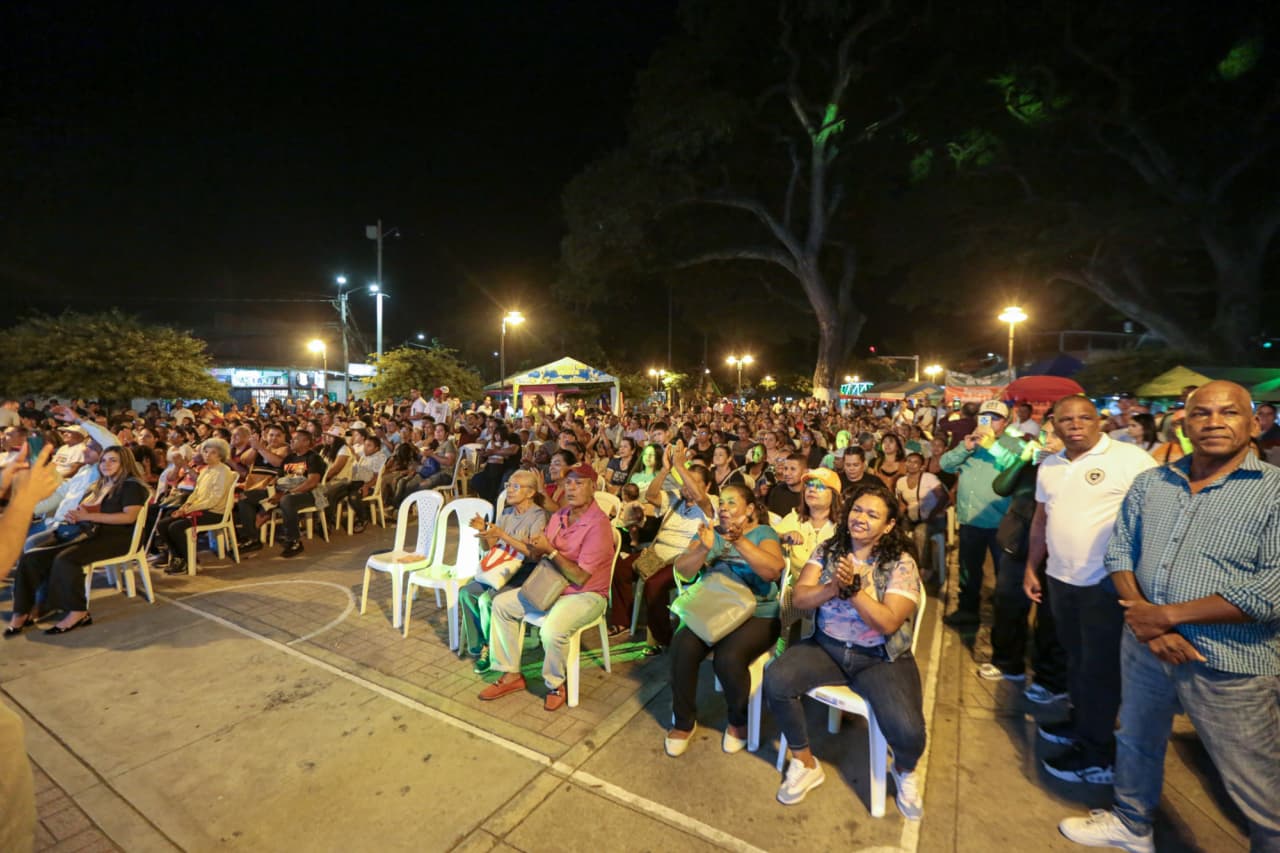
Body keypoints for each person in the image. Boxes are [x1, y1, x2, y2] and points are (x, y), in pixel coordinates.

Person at [1058, 381, 1280, 853]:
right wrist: (1145, 621)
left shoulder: (1273, 494)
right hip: (1145, 647)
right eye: (1201, 413)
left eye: (1229, 413)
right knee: (1136, 739)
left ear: (1254, 422)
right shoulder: (1153, 482)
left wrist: (1162, 617)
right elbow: (1120, 551)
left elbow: (1270, 590)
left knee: (1256, 781)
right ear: (1184, 422)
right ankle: (1131, 823)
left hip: (1229, 662)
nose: (1214, 422)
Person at [763, 482, 926, 817]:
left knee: (908, 731)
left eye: (872, 514)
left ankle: (905, 770)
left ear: (889, 525)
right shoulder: (828, 550)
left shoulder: (900, 562)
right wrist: (833, 587)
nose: (860, 518)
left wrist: (854, 592)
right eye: (856, 510)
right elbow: (801, 597)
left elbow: (889, 623)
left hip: (879, 657)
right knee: (777, 680)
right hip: (828, 647)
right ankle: (805, 762)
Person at [1023, 396, 1156, 784]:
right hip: (1060, 579)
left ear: (1099, 421)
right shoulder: (1050, 465)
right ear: (1055, 424)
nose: (1076, 425)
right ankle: (1082, 723)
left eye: (1084, 418)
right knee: (1075, 660)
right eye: (1066, 419)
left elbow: (1157, 518)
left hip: (1105, 584)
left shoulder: (1130, 460)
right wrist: (1032, 567)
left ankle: (1099, 756)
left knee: (1099, 670)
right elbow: (1040, 521)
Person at [479, 463, 615, 711]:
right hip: (552, 585)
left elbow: (580, 576)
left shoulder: (599, 524)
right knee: (500, 604)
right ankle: (510, 674)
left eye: (579, 482)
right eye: (568, 483)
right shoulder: (561, 516)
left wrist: (550, 551)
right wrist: (507, 539)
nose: (571, 488)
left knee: (551, 631)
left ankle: (555, 683)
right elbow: (537, 552)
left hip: (585, 594)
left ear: (593, 487)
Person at [664, 482, 785, 757]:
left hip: (758, 613)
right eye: (722, 503)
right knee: (683, 644)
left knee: (728, 658)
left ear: (750, 508)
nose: (724, 508)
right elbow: (682, 571)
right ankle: (683, 721)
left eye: (732, 502)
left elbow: (773, 571)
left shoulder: (763, 533)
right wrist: (702, 550)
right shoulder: (710, 534)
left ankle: (738, 720)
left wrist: (738, 540)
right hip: (715, 608)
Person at [7, 446, 150, 636]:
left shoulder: (131, 485)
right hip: (91, 532)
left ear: (124, 462)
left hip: (116, 538)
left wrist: (88, 517)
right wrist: (78, 516)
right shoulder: (101, 483)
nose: (106, 464)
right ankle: (22, 612)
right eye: (104, 460)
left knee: (65, 559)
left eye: (113, 460)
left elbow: (128, 518)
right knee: (31, 556)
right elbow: (89, 511)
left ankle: (78, 612)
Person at [978, 424, 1068, 704]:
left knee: (1051, 619)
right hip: (1018, 545)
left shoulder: (1074, 470)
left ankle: (1049, 680)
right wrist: (1022, 459)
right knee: (1008, 605)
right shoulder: (1031, 466)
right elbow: (1001, 486)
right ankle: (1008, 663)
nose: (1047, 440)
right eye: (1046, 434)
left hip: (1058, 554)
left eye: (1054, 435)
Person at [608, 454, 716, 651]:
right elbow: (651, 496)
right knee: (622, 569)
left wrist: (680, 466)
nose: (688, 487)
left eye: (693, 483)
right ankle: (623, 621)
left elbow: (700, 498)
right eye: (685, 482)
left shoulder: (710, 504)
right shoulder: (677, 498)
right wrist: (666, 469)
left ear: (707, 487)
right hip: (657, 553)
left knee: (654, 584)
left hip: (684, 559)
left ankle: (663, 639)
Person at [939, 400, 1022, 627]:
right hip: (970, 520)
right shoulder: (970, 442)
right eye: (984, 417)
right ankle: (968, 610)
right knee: (968, 570)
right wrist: (964, 448)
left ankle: (1006, 618)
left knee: (1004, 575)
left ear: (1005, 423)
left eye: (995, 418)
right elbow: (944, 464)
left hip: (1002, 522)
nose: (989, 422)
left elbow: (1017, 468)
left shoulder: (1014, 444)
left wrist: (992, 446)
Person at [459, 469, 551, 673]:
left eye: (515, 487)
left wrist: (502, 534)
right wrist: (484, 531)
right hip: (501, 567)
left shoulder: (538, 516)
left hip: (525, 571)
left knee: (487, 600)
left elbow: (534, 553)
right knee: (467, 593)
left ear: (530, 493)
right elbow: (489, 548)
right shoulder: (507, 513)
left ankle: (493, 650)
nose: (509, 490)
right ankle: (481, 644)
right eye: (508, 485)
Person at [153, 438, 237, 574]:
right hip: (199, 508)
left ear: (221, 455)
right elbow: (196, 493)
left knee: (176, 527)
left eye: (213, 453)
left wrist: (189, 509)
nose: (207, 455)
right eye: (205, 451)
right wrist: (185, 506)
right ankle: (178, 557)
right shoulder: (205, 471)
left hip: (214, 512)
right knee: (163, 524)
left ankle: (190, 560)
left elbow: (214, 500)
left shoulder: (223, 472)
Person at [269, 429, 327, 558]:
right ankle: (250, 537)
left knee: (287, 501)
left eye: (295, 439)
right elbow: (278, 478)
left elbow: (312, 482)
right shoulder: (289, 458)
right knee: (248, 496)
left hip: (308, 493)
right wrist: (268, 489)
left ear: (306, 442)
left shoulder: (313, 458)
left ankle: (294, 540)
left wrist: (287, 493)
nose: (291, 441)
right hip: (284, 490)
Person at [773, 467, 840, 579]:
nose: (811, 489)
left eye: (819, 486)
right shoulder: (795, 518)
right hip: (799, 590)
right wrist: (784, 536)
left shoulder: (843, 525)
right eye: (808, 485)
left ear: (834, 494)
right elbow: (769, 537)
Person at [895, 452, 947, 583]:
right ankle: (905, 564)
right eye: (909, 461)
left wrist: (932, 514)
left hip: (934, 518)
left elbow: (943, 497)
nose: (911, 465)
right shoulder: (901, 482)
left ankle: (925, 567)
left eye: (915, 462)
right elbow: (900, 502)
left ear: (922, 466)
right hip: (913, 517)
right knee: (897, 532)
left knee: (920, 532)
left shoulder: (929, 478)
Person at [764, 451, 806, 518]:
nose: (787, 473)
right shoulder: (776, 491)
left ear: (804, 472)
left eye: (793, 469)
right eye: (785, 468)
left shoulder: (810, 495)